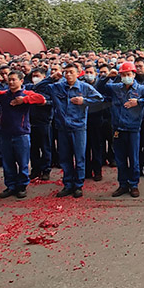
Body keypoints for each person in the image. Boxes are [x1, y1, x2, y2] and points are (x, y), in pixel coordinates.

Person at [35, 63, 104, 198]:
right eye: (66, 72)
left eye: (71, 72)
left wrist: (84, 101)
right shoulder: (57, 87)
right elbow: (38, 88)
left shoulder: (84, 87)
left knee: (79, 158)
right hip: (62, 128)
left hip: (78, 127)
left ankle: (78, 185)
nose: (68, 75)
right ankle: (67, 184)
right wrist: (51, 78)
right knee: (65, 158)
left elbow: (99, 99)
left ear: (78, 73)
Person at [99, 62, 144, 198]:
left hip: (133, 128)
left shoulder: (140, 89)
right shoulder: (116, 88)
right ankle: (123, 184)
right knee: (120, 158)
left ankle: (134, 184)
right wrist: (108, 77)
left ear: (133, 75)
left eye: (129, 74)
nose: (126, 77)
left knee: (133, 158)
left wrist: (139, 102)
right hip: (118, 128)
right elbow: (100, 88)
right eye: (124, 75)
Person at [0, 70, 47, 200]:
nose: (11, 82)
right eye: (9, 79)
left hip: (21, 133)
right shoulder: (4, 94)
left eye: (14, 79)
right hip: (5, 133)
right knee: (8, 162)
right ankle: (10, 185)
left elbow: (41, 99)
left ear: (21, 81)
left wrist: (24, 100)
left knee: (22, 161)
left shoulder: (26, 93)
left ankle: (22, 186)